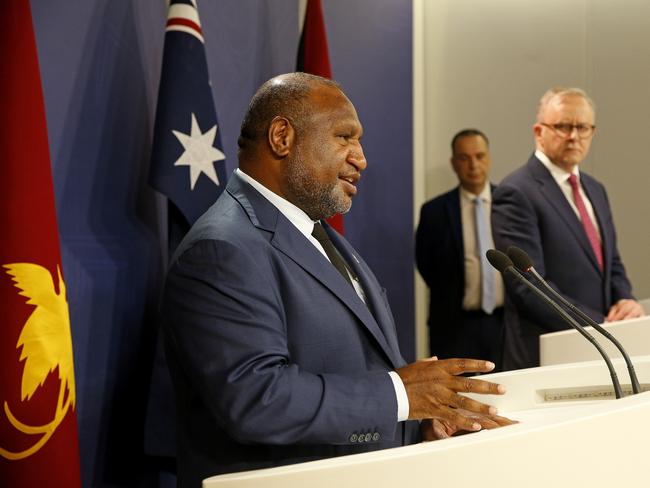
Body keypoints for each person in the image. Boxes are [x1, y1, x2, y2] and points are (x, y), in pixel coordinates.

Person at [162, 73, 512, 486]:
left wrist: (417, 422)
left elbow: (360, 376)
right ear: (281, 137)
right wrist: (401, 395)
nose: (360, 158)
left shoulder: (319, 235)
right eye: (345, 137)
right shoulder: (222, 249)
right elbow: (257, 398)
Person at [492, 87, 645, 370]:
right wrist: (601, 324)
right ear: (539, 131)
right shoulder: (516, 191)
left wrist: (625, 301)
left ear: (592, 132)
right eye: (563, 126)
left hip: (601, 350)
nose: (574, 135)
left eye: (582, 127)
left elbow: (611, 263)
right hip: (546, 355)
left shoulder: (595, 189)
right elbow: (529, 287)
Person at [415, 129, 505, 370]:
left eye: (479, 156)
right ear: (454, 163)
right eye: (464, 158)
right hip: (455, 325)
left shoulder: (511, 203)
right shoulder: (434, 211)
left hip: (505, 323)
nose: (473, 165)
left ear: (489, 158)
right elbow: (425, 264)